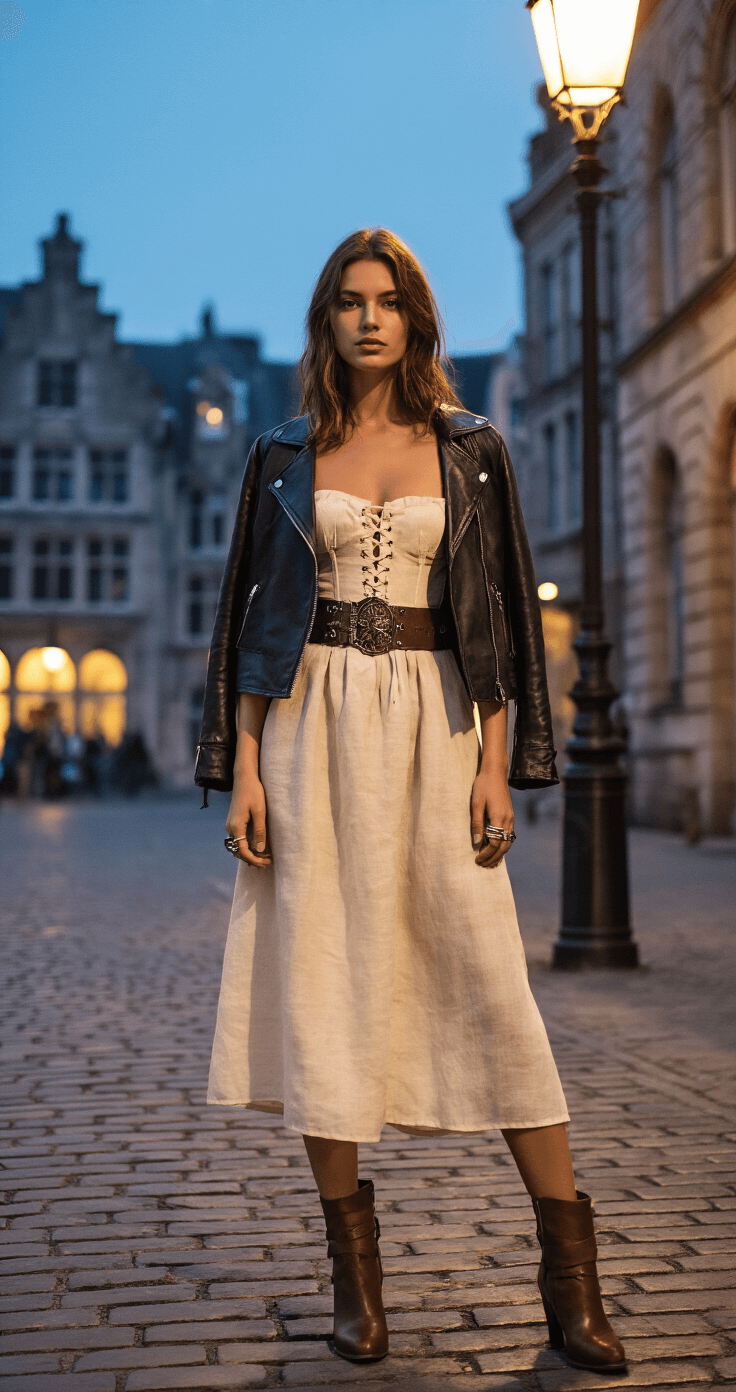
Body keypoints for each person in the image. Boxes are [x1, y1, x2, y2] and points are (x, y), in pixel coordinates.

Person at [195, 228, 625, 1373]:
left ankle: (570, 1284)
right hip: (308, 728)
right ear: (327, 320)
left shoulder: (472, 447)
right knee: (322, 983)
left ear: (416, 317)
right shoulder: (282, 452)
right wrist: (244, 769)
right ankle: (356, 1281)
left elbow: (501, 614)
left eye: (387, 300)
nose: (369, 318)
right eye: (350, 301)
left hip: (436, 727)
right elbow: (251, 622)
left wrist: (494, 764)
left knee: (490, 985)